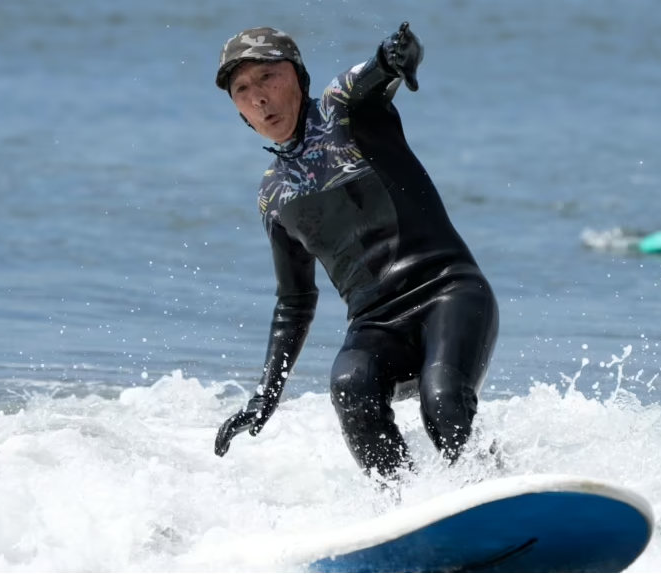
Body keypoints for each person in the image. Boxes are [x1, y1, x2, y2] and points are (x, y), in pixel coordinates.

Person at [211, 22, 500, 481]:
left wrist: (397, 54)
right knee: (350, 386)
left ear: (297, 77)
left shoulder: (342, 107)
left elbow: (382, 67)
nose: (259, 96)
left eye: (269, 77)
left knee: (442, 399)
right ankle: (404, 509)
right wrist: (266, 394)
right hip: (377, 324)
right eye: (242, 89)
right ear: (239, 110)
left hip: (448, 291)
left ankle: (493, 488)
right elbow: (294, 302)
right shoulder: (274, 197)